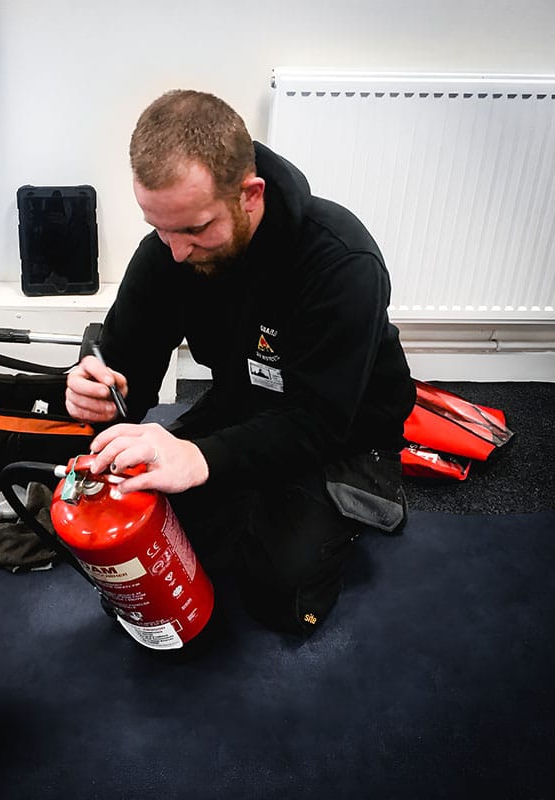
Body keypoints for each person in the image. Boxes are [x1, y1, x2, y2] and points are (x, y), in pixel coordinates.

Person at [65, 89, 416, 638]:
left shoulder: (341, 262)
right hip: (246, 403)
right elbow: (125, 366)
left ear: (250, 195)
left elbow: (318, 422)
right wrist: (96, 385)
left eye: (195, 229)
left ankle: (358, 505)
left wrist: (198, 459)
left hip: (342, 431)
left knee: (279, 592)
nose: (175, 250)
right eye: (159, 227)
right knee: (137, 517)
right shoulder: (170, 247)